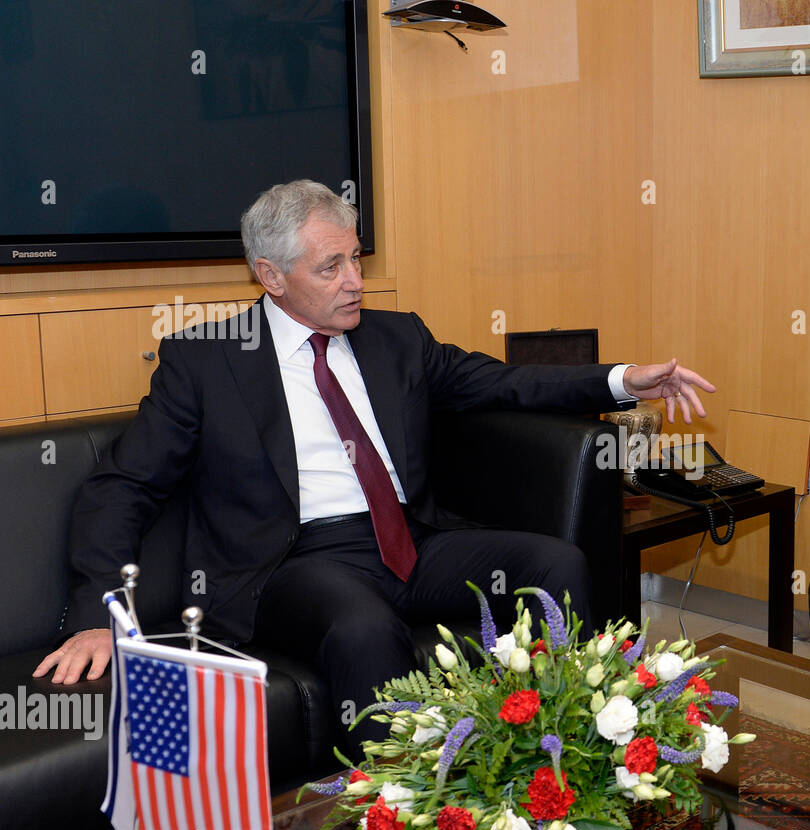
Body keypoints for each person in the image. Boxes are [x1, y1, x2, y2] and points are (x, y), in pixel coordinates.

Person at [35, 179, 715, 754]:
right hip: (293, 565)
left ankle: (572, 756)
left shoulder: (396, 338)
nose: (356, 282)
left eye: (356, 260)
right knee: (363, 627)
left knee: (556, 565)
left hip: (408, 543)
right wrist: (101, 609)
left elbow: (504, 383)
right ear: (270, 276)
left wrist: (626, 380)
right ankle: (400, 821)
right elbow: (124, 484)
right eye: (331, 267)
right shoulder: (206, 361)